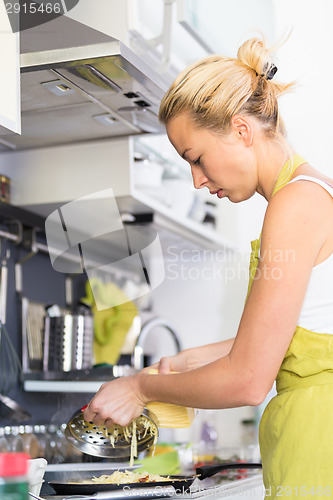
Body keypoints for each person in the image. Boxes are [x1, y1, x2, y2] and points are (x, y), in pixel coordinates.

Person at [83, 37, 333, 498]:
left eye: (196, 159)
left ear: (241, 130)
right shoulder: (314, 192)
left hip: (320, 440)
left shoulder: (295, 203)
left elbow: (248, 379)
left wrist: (137, 388)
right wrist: (188, 361)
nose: (197, 181)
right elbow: (299, 335)